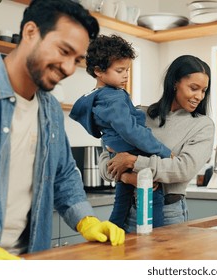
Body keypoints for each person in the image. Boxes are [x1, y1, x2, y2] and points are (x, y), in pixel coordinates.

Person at [0, 0, 124, 260]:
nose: (69, 68)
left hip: (30, 259)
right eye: (63, 51)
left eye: (77, 60)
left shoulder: (51, 110)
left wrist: (87, 220)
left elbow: (63, 175)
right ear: (31, 32)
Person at [98, 55, 215, 232]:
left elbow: (183, 169)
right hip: (128, 209)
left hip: (168, 214)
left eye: (203, 91)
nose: (199, 96)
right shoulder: (139, 114)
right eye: (193, 88)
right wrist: (126, 177)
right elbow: (108, 158)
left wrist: (133, 162)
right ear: (175, 82)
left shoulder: (202, 125)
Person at [69, 34, 172, 230]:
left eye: (127, 70)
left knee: (122, 200)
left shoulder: (96, 96)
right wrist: (163, 151)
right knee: (154, 192)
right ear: (99, 71)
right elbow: (131, 131)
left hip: (117, 152)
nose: (126, 75)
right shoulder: (113, 98)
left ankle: (113, 230)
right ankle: (158, 236)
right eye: (120, 70)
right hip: (133, 151)